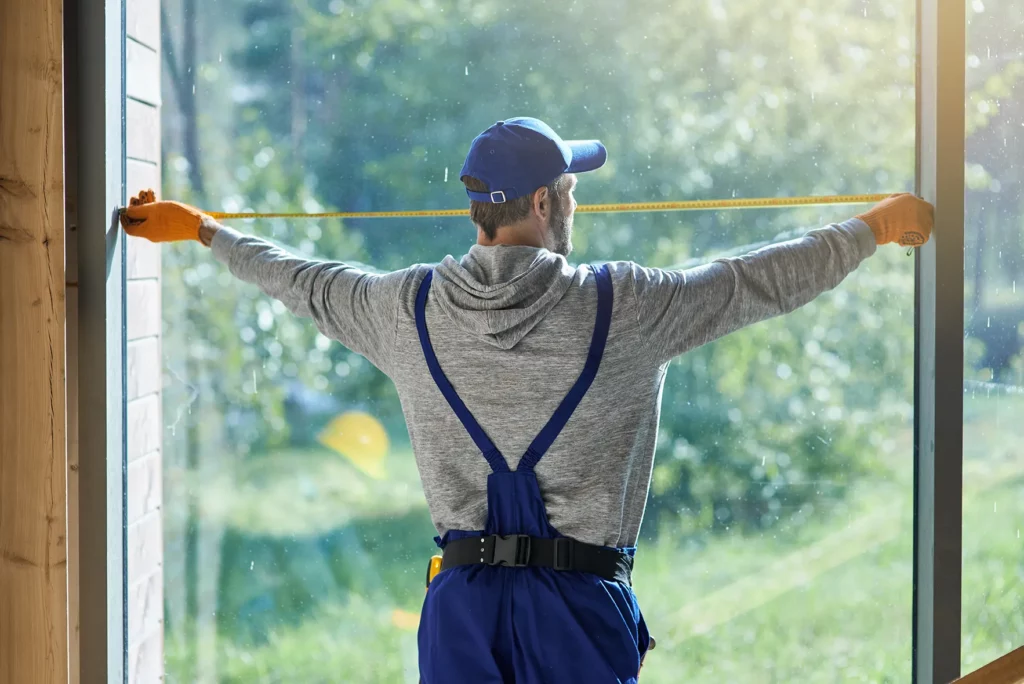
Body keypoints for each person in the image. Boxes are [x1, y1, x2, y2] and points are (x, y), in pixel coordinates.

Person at [121, 116, 934, 683]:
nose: (575, 199)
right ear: (543, 204)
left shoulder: (403, 310)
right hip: (579, 617)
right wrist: (875, 227)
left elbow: (294, 278)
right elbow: (759, 279)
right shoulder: (626, 308)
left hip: (461, 615)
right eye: (570, 188)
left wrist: (201, 232)